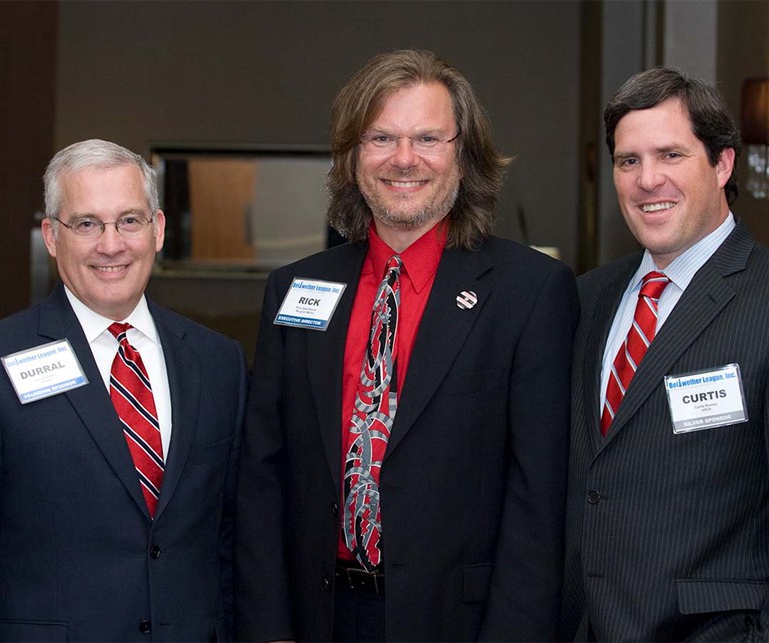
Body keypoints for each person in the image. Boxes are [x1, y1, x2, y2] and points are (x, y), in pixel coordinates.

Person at [234, 49, 578, 642]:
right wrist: (269, 628)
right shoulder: (295, 290)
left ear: (464, 155)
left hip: (460, 624)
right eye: (381, 138)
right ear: (352, 157)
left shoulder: (531, 293)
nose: (403, 159)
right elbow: (262, 476)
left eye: (427, 138)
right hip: (319, 618)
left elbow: (538, 501)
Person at [560, 67, 769, 641]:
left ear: (723, 163)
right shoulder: (585, 299)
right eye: (628, 161)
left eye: (671, 154)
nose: (647, 179)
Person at [0, 139, 247, 641]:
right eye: (87, 223)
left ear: (157, 230)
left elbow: (231, 535)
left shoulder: (219, 362)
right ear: (51, 236)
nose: (111, 244)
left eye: (129, 221)